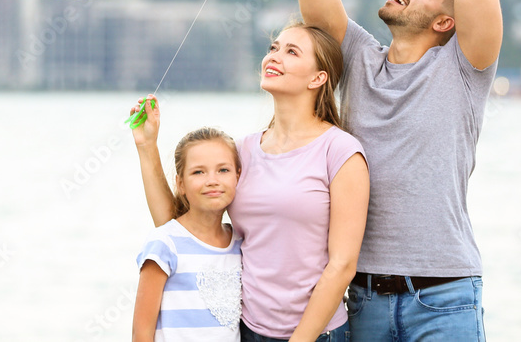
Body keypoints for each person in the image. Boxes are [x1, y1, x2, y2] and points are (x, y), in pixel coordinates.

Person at [248, 0, 502, 341]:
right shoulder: (360, 57)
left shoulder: (465, 67)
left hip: (445, 295)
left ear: (446, 21)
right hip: (361, 299)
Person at [132, 21, 370, 342]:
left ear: (318, 78)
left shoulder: (341, 151)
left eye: (291, 51)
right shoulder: (244, 150)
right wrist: (147, 148)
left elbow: (342, 265)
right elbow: (184, 228)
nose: (274, 56)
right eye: (273, 48)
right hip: (247, 331)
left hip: (318, 335)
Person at [132, 127, 243, 341]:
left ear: (238, 176)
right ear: (180, 183)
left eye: (223, 170)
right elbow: (141, 333)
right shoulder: (164, 244)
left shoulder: (240, 243)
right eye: (198, 172)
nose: (212, 180)